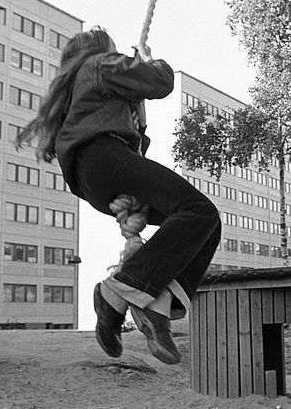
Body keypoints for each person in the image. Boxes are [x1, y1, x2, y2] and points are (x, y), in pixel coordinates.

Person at [16, 28, 221, 364]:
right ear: (101, 49)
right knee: (199, 210)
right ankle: (120, 288)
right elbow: (160, 82)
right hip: (105, 156)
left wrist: (135, 115)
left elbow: (135, 137)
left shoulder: (78, 90)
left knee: (204, 223)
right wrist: (147, 61)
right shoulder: (99, 64)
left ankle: (154, 304)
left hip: (94, 179)